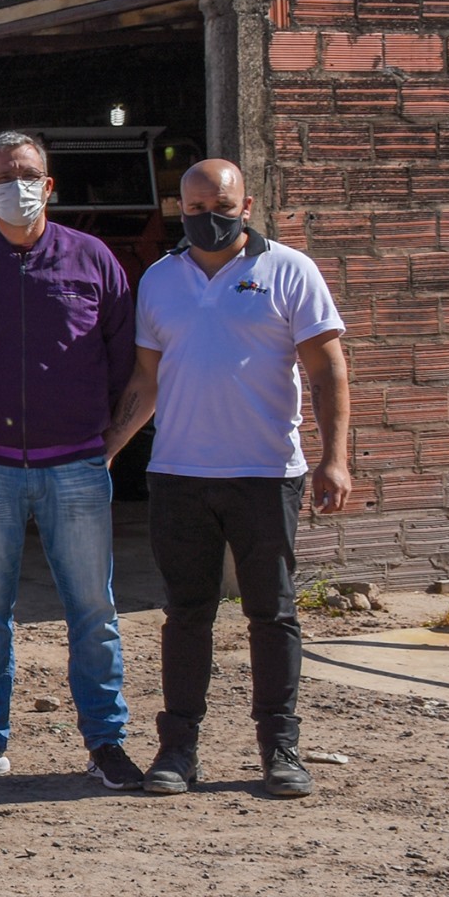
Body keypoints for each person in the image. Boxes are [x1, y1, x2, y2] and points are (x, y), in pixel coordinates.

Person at [104, 159, 350, 798]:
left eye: (220, 207)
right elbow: (147, 379)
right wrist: (108, 449)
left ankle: (280, 749)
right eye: (193, 209)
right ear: (178, 210)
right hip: (178, 474)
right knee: (186, 614)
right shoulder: (160, 280)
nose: (207, 219)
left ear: (247, 206)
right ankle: (177, 750)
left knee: (273, 613)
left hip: (265, 474)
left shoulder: (290, 271)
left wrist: (336, 457)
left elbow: (327, 369)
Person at [0, 131, 143, 790]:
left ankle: (106, 741)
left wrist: (106, 444)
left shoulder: (93, 260)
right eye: (2, 176)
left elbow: (126, 361)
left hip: (75, 467)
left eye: (27, 175)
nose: (15, 186)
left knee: (93, 612)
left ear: (48, 186)